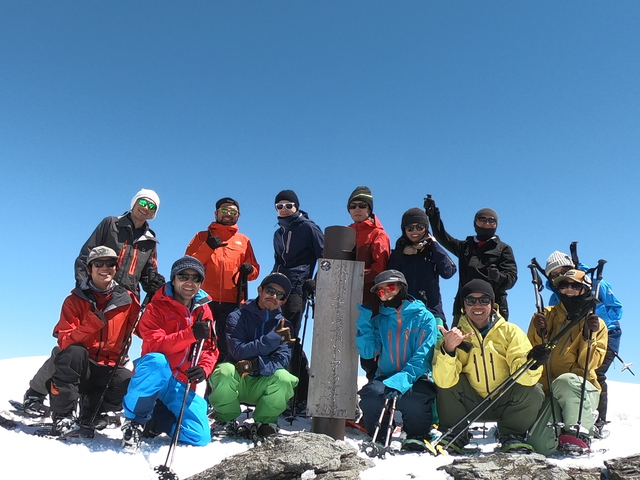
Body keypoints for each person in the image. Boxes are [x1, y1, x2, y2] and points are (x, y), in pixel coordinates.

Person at [23, 189, 166, 417]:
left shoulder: (150, 241)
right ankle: (36, 392)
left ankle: (93, 403)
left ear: (154, 213)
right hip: (95, 290)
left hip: (124, 300)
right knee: (73, 345)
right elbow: (85, 255)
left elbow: (149, 271)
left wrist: (154, 283)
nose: (145, 208)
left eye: (152, 206)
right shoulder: (111, 224)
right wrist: (85, 287)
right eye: (142, 202)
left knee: (112, 353)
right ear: (133, 202)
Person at [432, 279, 544, 453]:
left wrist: (533, 363)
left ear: (492, 304)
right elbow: (443, 382)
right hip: (471, 403)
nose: (478, 305)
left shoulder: (510, 331)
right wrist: (449, 349)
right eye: (471, 300)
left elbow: (524, 375)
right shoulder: (454, 335)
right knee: (447, 381)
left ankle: (512, 434)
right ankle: (455, 432)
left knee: (533, 390)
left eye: (484, 300)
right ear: (463, 305)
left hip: (504, 401)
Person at [121, 256, 217, 449]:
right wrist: (190, 334)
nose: (189, 282)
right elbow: (155, 344)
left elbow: (210, 348)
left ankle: (157, 419)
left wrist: (204, 369)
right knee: (156, 361)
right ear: (174, 279)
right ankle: (134, 422)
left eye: (196, 278)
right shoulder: (156, 307)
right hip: (157, 374)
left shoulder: (204, 310)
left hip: (181, 380)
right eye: (183, 276)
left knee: (199, 436)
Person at [46, 246, 140, 437]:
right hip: (82, 367)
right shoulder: (74, 300)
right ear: (89, 269)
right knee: (74, 352)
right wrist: (91, 324)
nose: (105, 267)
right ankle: (62, 416)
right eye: (99, 263)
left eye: (111, 263)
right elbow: (64, 341)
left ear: (116, 267)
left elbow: (142, 328)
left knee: (127, 381)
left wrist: (160, 301)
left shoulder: (128, 300)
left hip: (109, 366)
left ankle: (91, 412)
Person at [526, 269, 607, 455]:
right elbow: (531, 355)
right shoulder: (544, 316)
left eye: (575, 285)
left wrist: (589, 337)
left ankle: (581, 432)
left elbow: (591, 365)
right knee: (539, 445)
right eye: (563, 285)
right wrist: (539, 334)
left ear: (585, 288)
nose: (568, 289)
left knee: (565, 381)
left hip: (582, 389)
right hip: (550, 392)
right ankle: (561, 433)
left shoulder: (596, 323)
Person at [356, 270, 438, 452]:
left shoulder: (424, 317)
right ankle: (379, 434)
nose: (386, 292)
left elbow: (424, 355)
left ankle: (416, 435)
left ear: (401, 287)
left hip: (416, 376)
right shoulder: (379, 321)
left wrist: (402, 380)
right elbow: (368, 351)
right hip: (386, 375)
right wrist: (364, 323)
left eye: (390, 287)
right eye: (381, 291)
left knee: (413, 400)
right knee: (371, 396)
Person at [209, 273, 298, 438]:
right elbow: (237, 351)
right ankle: (225, 419)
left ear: (284, 301)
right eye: (270, 290)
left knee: (285, 378)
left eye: (280, 295)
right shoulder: (236, 316)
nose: (274, 297)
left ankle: (266, 422)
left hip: (263, 381)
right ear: (260, 290)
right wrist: (273, 339)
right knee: (224, 372)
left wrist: (255, 366)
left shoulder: (286, 326)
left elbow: (282, 359)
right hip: (238, 378)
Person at [544, 251, 623, 432]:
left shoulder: (596, 283)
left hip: (607, 334)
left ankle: (597, 421)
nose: (559, 276)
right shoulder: (558, 293)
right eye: (554, 275)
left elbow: (617, 309)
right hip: (573, 338)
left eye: (562, 270)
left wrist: (591, 319)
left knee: (595, 373)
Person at [185, 197, 260, 363]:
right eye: (224, 210)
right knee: (199, 339)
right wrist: (207, 247)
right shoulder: (201, 236)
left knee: (228, 344)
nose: (228, 214)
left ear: (238, 216)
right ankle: (195, 377)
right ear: (216, 213)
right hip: (204, 298)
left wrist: (249, 270)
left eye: (233, 211)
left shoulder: (244, 241)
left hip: (232, 301)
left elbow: (254, 271)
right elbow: (188, 265)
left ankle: (221, 380)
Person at [424, 196, 517, 324]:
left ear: (496, 225)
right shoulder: (466, 246)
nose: (487, 223)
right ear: (475, 222)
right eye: (482, 219)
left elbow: (511, 279)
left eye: (492, 220)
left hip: (493, 309)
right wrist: (433, 214)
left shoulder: (503, 249)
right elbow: (442, 237)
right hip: (463, 308)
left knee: (492, 344)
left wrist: (499, 277)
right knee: (459, 343)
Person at [272, 189, 324, 411]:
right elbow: (278, 262)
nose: (284, 209)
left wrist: (316, 282)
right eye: (279, 206)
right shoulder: (278, 232)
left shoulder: (308, 227)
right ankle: (288, 389)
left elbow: (325, 256)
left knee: (289, 336)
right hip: (278, 289)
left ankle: (301, 393)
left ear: (296, 206)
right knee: (279, 335)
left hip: (297, 287)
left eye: (288, 205)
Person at [387, 207, 457, 330]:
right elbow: (390, 278)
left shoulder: (432, 252)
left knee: (435, 347)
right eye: (410, 228)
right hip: (404, 313)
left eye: (419, 227)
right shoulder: (398, 253)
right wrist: (400, 251)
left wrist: (434, 245)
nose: (415, 231)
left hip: (431, 312)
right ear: (404, 230)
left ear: (426, 228)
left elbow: (448, 271)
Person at [347, 186, 391, 380]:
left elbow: (380, 270)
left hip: (370, 301)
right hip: (345, 299)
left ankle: (375, 392)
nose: (357, 209)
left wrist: (352, 276)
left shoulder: (378, 234)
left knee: (370, 353)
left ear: (370, 208)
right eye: (352, 205)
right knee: (343, 349)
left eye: (362, 205)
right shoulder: (344, 232)